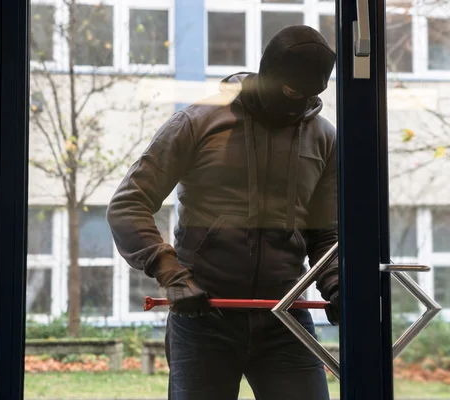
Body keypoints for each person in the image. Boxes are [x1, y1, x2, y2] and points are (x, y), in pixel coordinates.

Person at [107, 25, 341, 400]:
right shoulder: (198, 122)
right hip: (204, 317)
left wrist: (336, 285)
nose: (297, 103)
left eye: (309, 95)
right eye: (290, 92)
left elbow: (325, 234)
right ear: (267, 75)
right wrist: (171, 273)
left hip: (286, 316)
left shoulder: (324, 138)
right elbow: (128, 205)